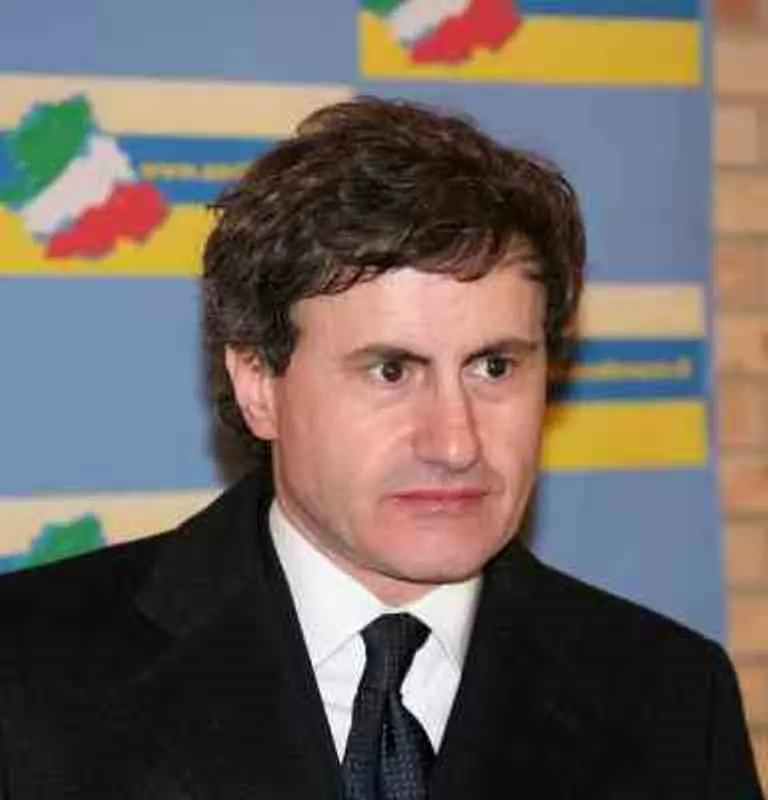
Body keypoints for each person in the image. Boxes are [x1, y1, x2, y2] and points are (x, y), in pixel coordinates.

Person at [0, 97, 761, 800]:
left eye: (495, 367)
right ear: (259, 382)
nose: (456, 442)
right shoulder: (27, 669)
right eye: (392, 371)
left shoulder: (670, 699)